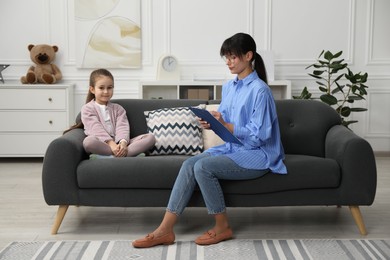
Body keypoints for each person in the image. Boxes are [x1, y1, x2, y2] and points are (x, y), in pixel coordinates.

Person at [132, 33, 287, 248]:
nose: (228, 62)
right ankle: (164, 230)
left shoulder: (261, 90)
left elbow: (261, 134)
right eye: (226, 57)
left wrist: (227, 126)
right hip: (234, 148)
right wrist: (214, 121)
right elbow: (224, 118)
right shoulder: (230, 86)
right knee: (188, 164)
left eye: (233, 57)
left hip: (258, 154)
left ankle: (222, 227)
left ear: (248, 55)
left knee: (203, 167)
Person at [65, 68, 155, 157]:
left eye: (109, 88)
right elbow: (95, 128)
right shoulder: (87, 109)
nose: (106, 91)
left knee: (150, 138)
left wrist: (123, 143)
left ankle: (117, 155)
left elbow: (122, 127)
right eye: (101, 88)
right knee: (88, 142)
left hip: (121, 144)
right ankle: (124, 155)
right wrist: (111, 144)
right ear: (92, 89)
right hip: (102, 144)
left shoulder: (118, 109)